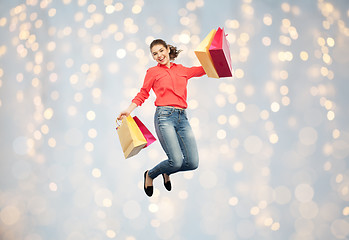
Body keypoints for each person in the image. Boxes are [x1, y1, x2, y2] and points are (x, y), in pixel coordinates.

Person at [117, 39, 206, 197]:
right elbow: (143, 93)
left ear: (167, 50)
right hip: (164, 117)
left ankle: (166, 171)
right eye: (155, 54)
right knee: (176, 161)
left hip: (182, 118)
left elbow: (205, 69)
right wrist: (128, 110)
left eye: (161, 51)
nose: (159, 55)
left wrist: (215, 57)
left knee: (193, 163)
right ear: (152, 57)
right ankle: (150, 174)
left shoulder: (183, 70)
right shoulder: (153, 72)